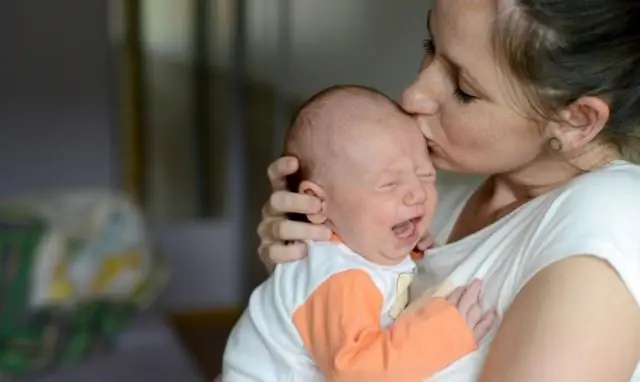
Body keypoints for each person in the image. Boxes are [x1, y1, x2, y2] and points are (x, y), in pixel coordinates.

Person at [255, 1, 640, 381]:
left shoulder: (608, 219)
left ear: (575, 120)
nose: (413, 95)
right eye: (430, 47)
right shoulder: (438, 199)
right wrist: (310, 274)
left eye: (463, 88)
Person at [222, 85, 495, 382]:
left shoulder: (357, 246)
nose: (416, 193)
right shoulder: (339, 279)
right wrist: (443, 335)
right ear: (318, 203)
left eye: (425, 175)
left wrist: (411, 247)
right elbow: (355, 371)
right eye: (389, 184)